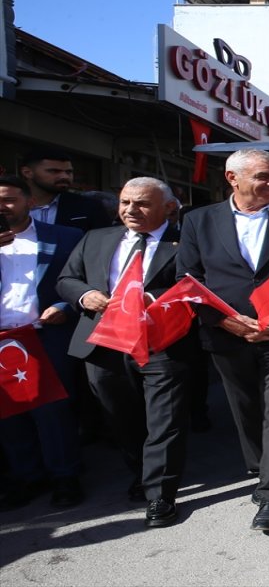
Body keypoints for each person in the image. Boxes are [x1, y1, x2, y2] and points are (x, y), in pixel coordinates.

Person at [175, 149, 269, 531]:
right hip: (228, 335)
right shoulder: (198, 221)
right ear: (232, 178)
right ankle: (265, 468)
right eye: (264, 177)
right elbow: (189, 282)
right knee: (246, 410)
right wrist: (226, 321)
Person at [56, 177, 193, 526]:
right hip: (105, 341)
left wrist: (151, 299)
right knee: (121, 414)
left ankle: (160, 494)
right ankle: (141, 470)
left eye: (142, 203)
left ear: (168, 207)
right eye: (125, 202)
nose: (131, 210)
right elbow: (67, 280)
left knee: (165, 418)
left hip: (161, 341)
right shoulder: (96, 238)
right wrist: (86, 296)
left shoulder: (187, 241)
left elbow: (197, 283)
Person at [0, 177, 84, 511]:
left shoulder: (65, 237)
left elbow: (80, 280)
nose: (1, 207)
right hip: (3, 341)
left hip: (44, 336)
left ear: (29, 202)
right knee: (8, 413)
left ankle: (65, 476)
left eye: (8, 199)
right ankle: (27, 476)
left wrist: (64, 307)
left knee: (53, 411)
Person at [19, 149, 113, 232]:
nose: (64, 176)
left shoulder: (88, 207)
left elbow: (103, 244)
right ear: (27, 173)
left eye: (68, 172)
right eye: (54, 171)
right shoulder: (9, 207)